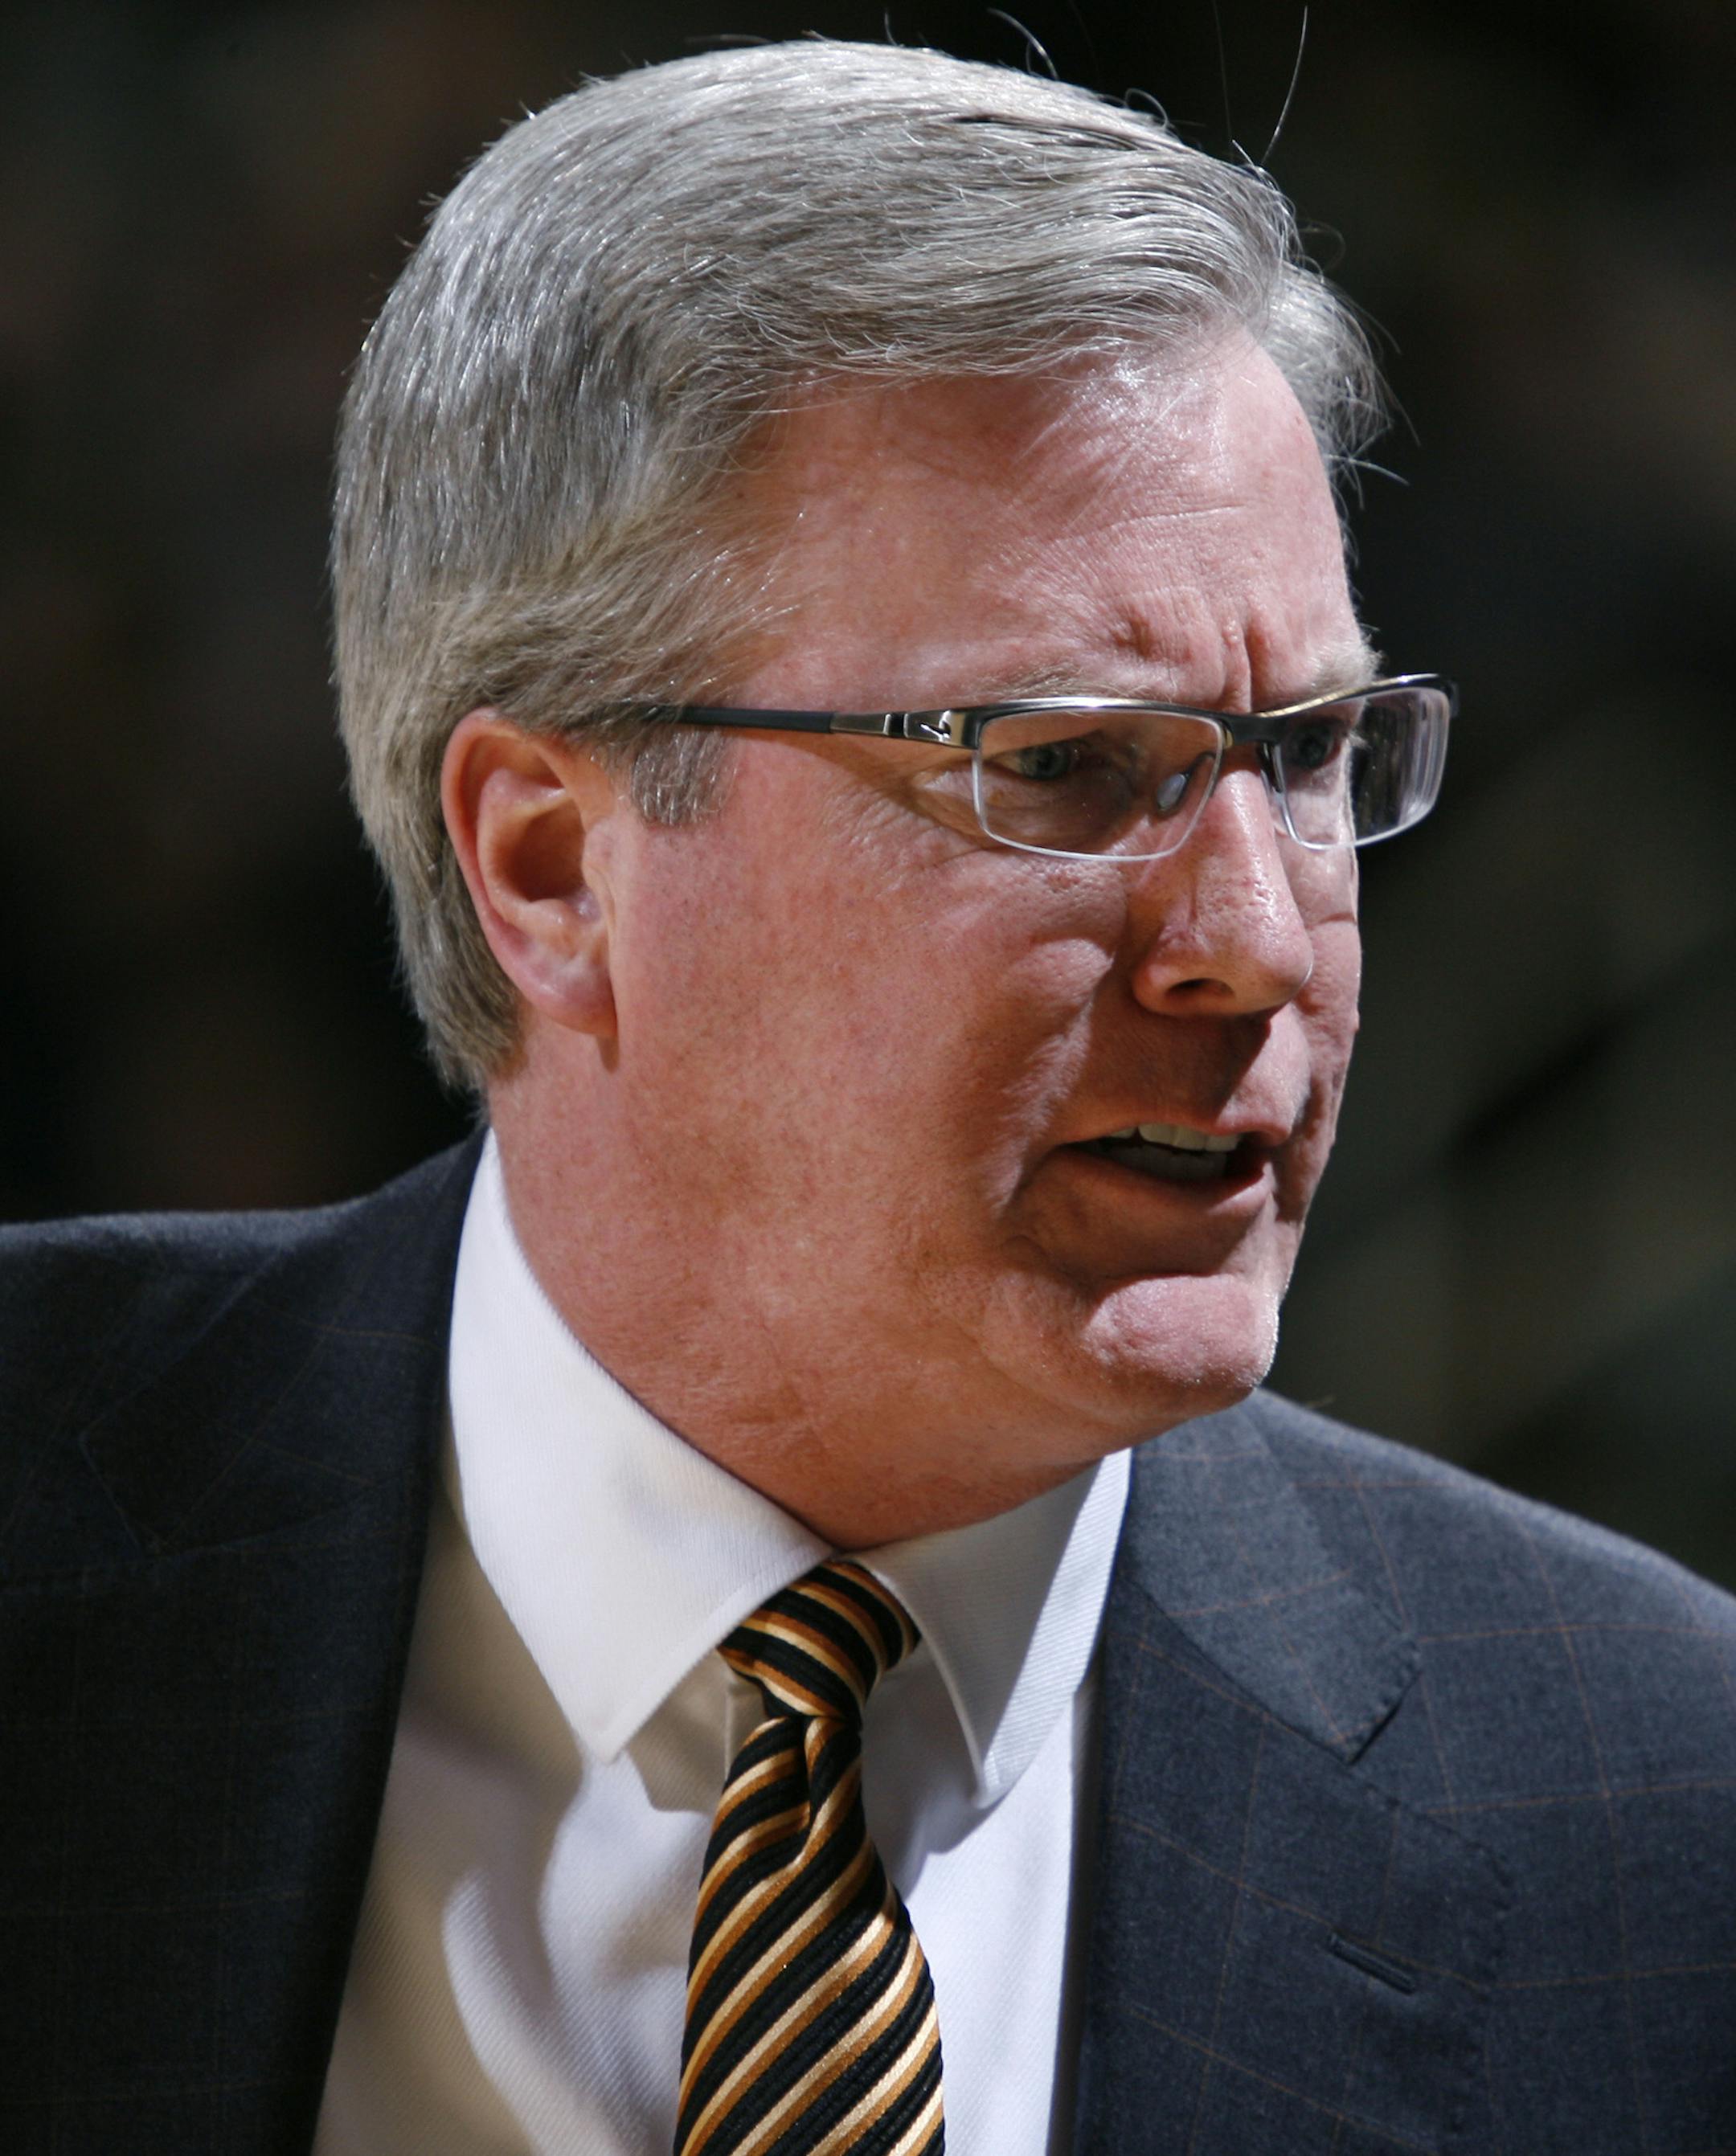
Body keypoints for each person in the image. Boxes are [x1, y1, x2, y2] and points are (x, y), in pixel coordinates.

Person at [2, 37, 1732, 2156]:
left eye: (1305, 755)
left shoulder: (1661, 1816)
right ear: (554, 866)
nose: (1263, 938)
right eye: (1068, 764)